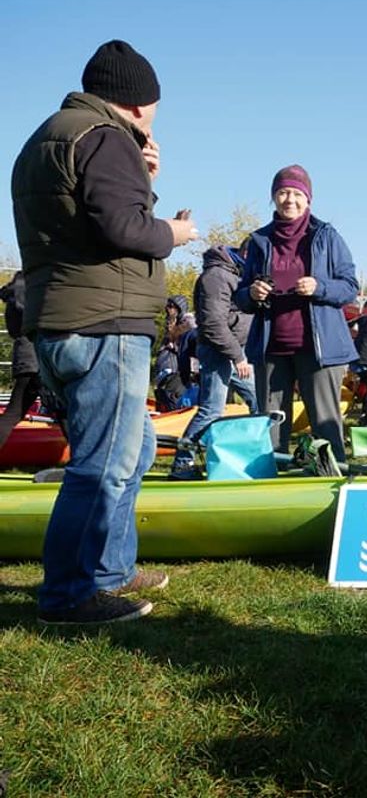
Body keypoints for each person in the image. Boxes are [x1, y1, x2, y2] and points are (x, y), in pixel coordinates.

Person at [11, 39, 198, 623]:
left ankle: (110, 570)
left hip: (59, 320)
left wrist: (139, 177)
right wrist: (175, 232)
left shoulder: (48, 136)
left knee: (135, 447)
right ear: (139, 103)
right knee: (102, 463)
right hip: (104, 323)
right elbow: (124, 228)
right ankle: (69, 595)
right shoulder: (106, 136)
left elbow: (84, 222)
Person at [235, 165, 359, 463]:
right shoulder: (259, 240)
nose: (289, 199)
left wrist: (320, 287)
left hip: (318, 349)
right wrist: (251, 294)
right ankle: (271, 485)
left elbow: (350, 287)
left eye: (295, 193)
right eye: (282, 192)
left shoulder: (326, 236)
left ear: (308, 199)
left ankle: (331, 477)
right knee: (272, 425)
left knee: (324, 423)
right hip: (271, 348)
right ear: (273, 198)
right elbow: (240, 295)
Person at [170, 241, 259, 476]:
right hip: (219, 352)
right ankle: (183, 462)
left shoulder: (238, 274)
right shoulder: (217, 276)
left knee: (259, 401)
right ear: (247, 253)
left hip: (234, 350)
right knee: (211, 410)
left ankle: (248, 455)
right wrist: (238, 357)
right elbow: (212, 324)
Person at [0, 270, 43, 450]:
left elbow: (13, 330)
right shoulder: (38, 285)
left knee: (13, 413)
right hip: (40, 354)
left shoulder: (14, 294)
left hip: (26, 353)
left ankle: (79, 465)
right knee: (63, 412)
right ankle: (81, 465)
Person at [154, 294, 196, 411]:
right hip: (164, 374)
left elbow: (185, 347)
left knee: (173, 401)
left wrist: (173, 331)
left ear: (180, 308)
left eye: (171, 306)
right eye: (167, 306)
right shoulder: (171, 323)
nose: (168, 308)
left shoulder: (188, 324)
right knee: (163, 400)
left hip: (177, 372)